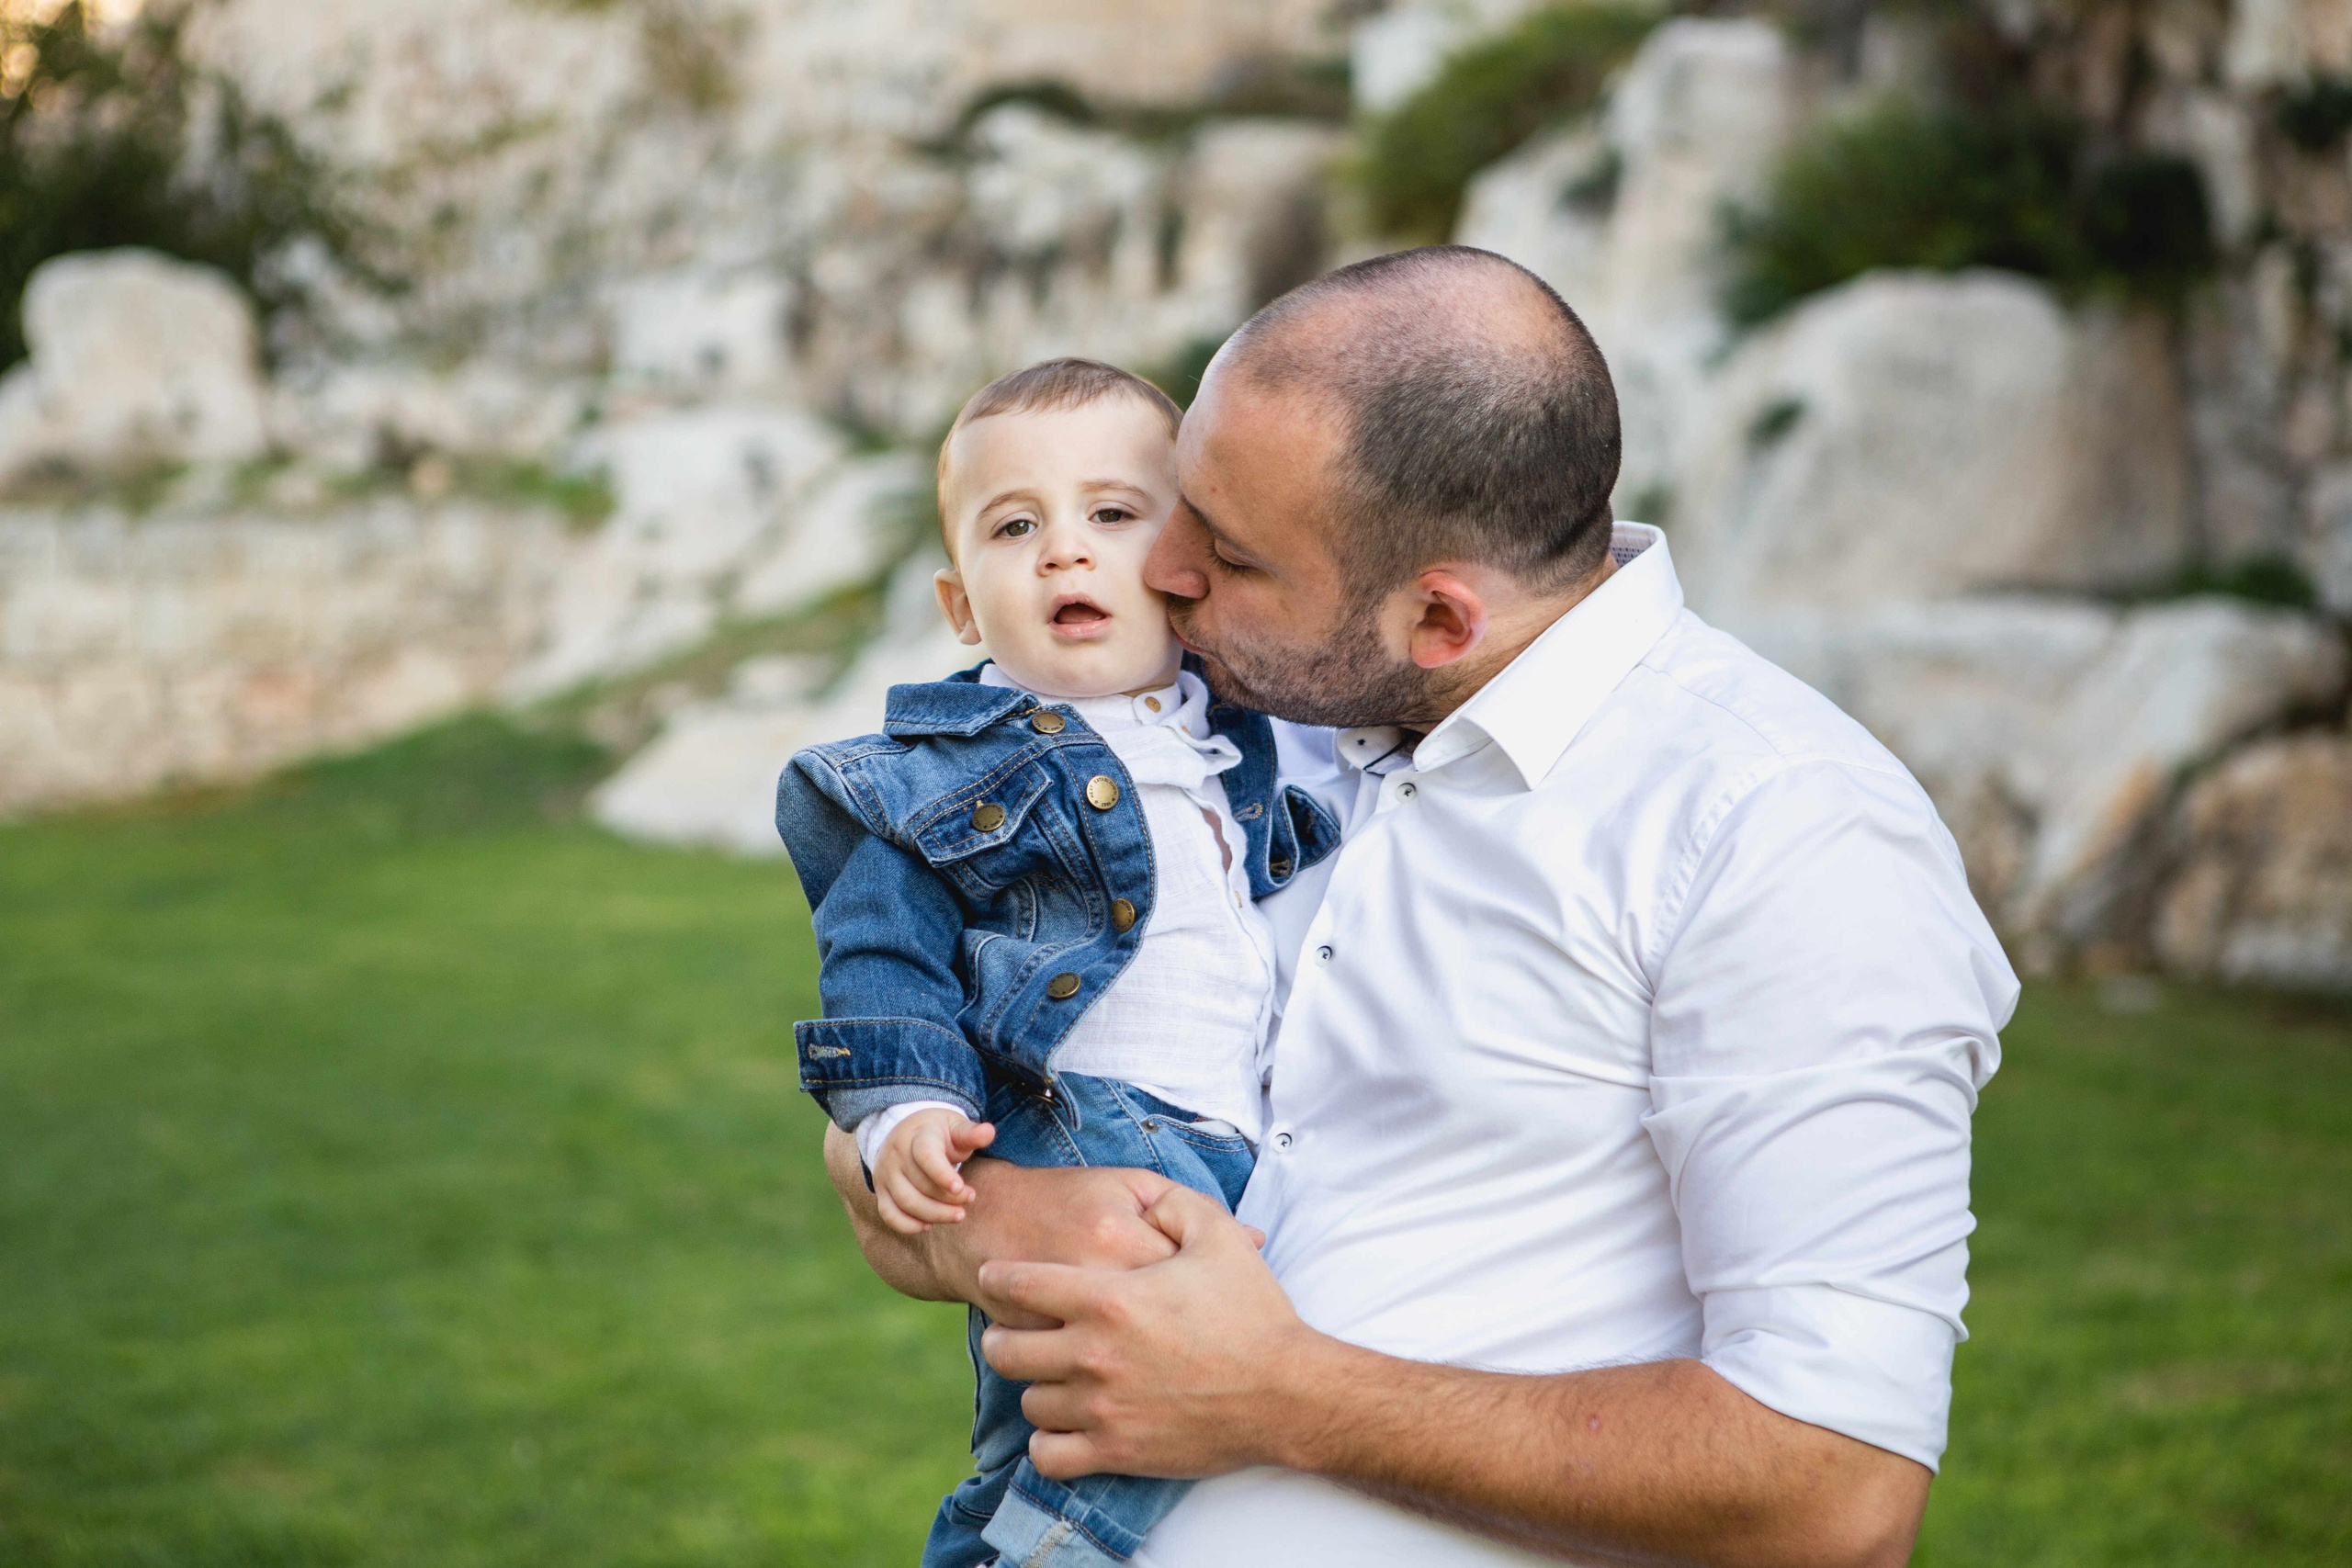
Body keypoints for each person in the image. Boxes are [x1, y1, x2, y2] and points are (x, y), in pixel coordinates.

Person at [822, 244, 2020, 1568]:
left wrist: (1280, 1397)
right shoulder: (1253, 740)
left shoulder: (1782, 833)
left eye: (1222, 550)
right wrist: (966, 1199)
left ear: (1439, 618)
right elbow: (910, 1146)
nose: (1158, 569)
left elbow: (1834, 1497)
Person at [775, 357, 1340, 1568]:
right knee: (1136, 1408)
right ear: (962, 606)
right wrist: (903, 1112)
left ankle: (996, 1536)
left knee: (1048, 1426)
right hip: (1088, 1131)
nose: (1065, 553)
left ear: (1185, 562)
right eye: (1014, 526)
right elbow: (881, 950)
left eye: (1113, 514)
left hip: (1230, 1142)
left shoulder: (1245, 740)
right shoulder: (941, 778)